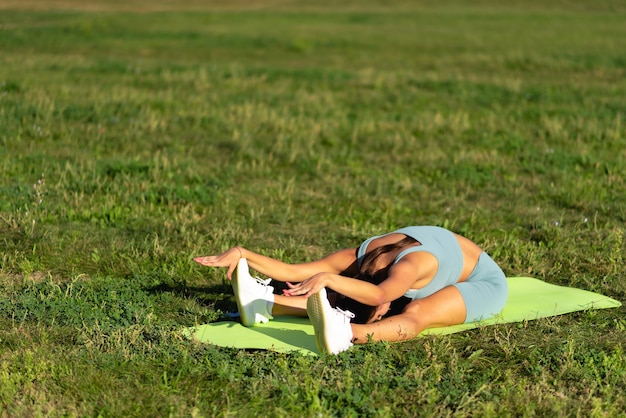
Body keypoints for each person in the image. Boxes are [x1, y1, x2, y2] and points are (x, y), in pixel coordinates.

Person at [194, 226, 508, 354]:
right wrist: (243, 254)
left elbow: (382, 296)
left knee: (417, 313)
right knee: (342, 295)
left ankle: (348, 333)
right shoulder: (365, 253)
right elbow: (295, 272)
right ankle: (266, 303)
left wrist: (329, 280)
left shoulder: (409, 268)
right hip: (440, 260)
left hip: (481, 283)